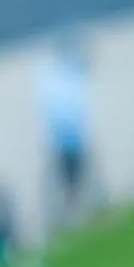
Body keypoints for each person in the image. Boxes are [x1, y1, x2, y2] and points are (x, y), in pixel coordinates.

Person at [37, 34, 95, 233]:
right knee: (69, 180)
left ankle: (74, 212)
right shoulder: (59, 79)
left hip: (70, 138)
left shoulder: (63, 78)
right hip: (66, 139)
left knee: (73, 179)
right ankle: (70, 214)